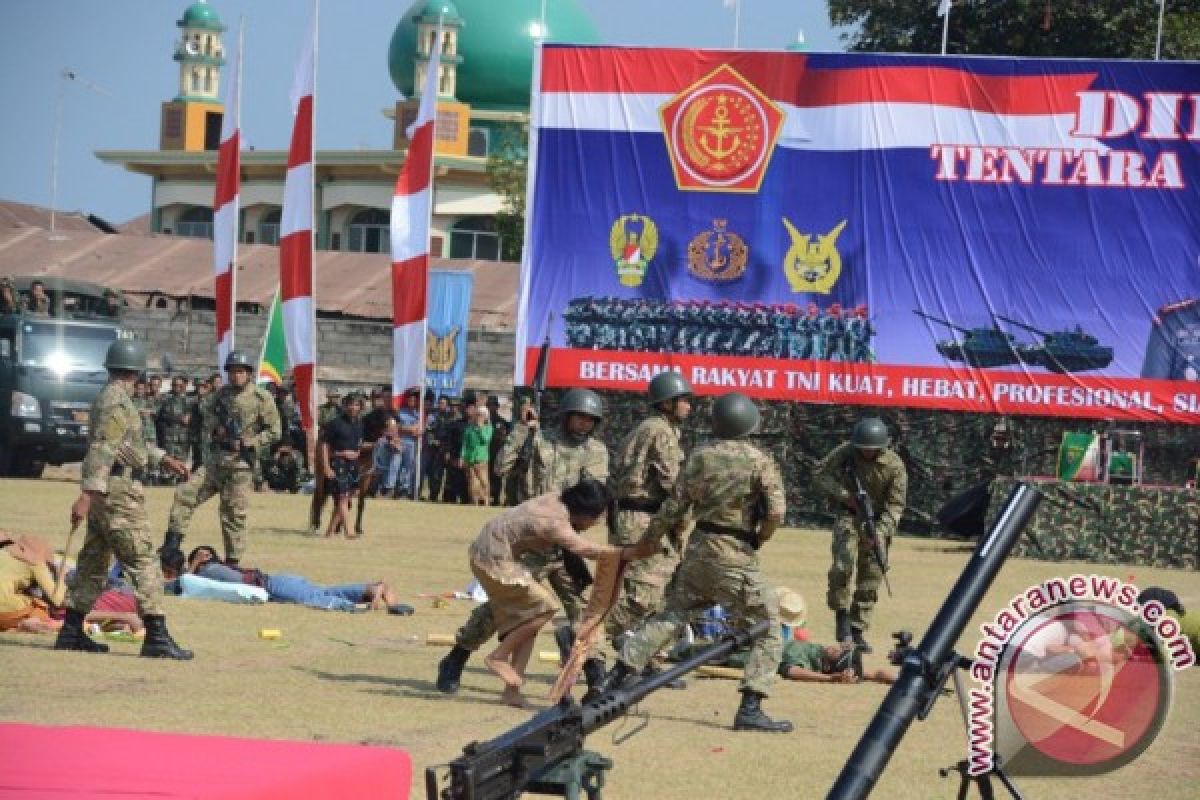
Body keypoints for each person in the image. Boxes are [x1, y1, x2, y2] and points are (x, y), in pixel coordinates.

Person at [592, 392, 793, 733]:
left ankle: (616, 677)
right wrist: (760, 537)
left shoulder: (700, 456)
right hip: (735, 553)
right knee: (769, 627)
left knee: (673, 614)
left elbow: (674, 506)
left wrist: (650, 540)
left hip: (699, 549)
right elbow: (776, 511)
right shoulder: (759, 460)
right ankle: (751, 707)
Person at [437, 389, 610, 695]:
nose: (583, 424)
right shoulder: (538, 439)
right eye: (578, 417)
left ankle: (596, 678)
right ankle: (456, 657)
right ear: (566, 415)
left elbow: (592, 495)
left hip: (566, 545)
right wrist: (521, 431)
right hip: (529, 545)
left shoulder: (596, 452)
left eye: (589, 420)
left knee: (584, 611)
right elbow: (502, 467)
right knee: (499, 609)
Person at [54, 339, 192, 659]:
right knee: (143, 560)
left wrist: (162, 458)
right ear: (136, 371)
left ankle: (72, 631)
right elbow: (103, 449)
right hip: (117, 493)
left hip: (108, 491)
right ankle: (156, 634)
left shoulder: (113, 398)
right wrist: (87, 495)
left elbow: (128, 446)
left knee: (93, 562)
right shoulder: (117, 403)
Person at [466, 479, 637, 707]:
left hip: (498, 555)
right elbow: (583, 548)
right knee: (546, 608)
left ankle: (512, 691)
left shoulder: (558, 501)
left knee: (529, 622)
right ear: (584, 512)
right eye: (596, 518)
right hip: (492, 559)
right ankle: (498, 656)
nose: (597, 523)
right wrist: (626, 553)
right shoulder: (554, 522)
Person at [604, 372, 693, 688]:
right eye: (682, 400)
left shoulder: (651, 428)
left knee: (659, 594)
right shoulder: (660, 432)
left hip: (632, 516)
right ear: (667, 403)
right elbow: (674, 484)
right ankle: (589, 638)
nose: (688, 406)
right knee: (645, 593)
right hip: (644, 519)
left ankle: (651, 660)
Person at [160, 350, 282, 565]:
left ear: (249, 373)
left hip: (240, 466)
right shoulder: (219, 396)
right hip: (214, 463)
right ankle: (171, 548)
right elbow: (200, 411)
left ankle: (232, 562)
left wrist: (248, 442)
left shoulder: (261, 398)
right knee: (185, 493)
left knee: (233, 514)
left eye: (241, 372)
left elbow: (274, 431)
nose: (236, 376)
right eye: (232, 372)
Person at [813, 416, 907, 654]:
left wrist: (881, 532)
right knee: (842, 567)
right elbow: (820, 475)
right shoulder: (846, 452)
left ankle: (857, 631)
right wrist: (846, 496)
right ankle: (842, 621)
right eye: (862, 448)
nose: (866, 452)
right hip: (848, 517)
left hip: (877, 523)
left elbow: (896, 505)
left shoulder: (894, 466)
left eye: (871, 449)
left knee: (871, 575)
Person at [185, 545, 412, 614]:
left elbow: (185, 581)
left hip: (273, 585)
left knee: (316, 599)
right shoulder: (217, 568)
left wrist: (194, 563)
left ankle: (356, 607)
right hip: (280, 581)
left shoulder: (207, 570)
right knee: (324, 592)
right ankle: (372, 589)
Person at [0, 535, 65, 633]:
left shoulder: (3, 554)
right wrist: (62, 576)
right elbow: (58, 600)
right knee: (40, 608)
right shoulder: (36, 563)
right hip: (5, 609)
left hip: (6, 607)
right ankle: (42, 624)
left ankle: (14, 627)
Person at [322, 392, 364, 538]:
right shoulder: (335, 423)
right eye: (350, 404)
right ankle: (350, 531)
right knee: (342, 496)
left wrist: (357, 452)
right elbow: (325, 445)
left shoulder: (359, 424)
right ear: (345, 405)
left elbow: (359, 443)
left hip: (353, 464)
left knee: (349, 497)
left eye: (357, 404)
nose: (353, 407)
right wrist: (327, 466)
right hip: (338, 462)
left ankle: (329, 532)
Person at [157, 376, 193, 485]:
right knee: (167, 468)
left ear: (185, 386)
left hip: (183, 440)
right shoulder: (165, 399)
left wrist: (191, 418)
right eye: (174, 385)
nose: (177, 387)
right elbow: (159, 416)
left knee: (181, 468)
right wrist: (179, 418)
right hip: (168, 440)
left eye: (180, 385)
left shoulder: (191, 401)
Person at [462, 406, 493, 506]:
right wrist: (462, 457)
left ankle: (486, 500)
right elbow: (465, 443)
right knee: (472, 481)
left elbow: (485, 439)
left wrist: (480, 428)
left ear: (486, 417)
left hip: (481, 458)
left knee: (483, 481)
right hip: (470, 457)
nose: (479, 417)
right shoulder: (469, 428)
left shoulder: (488, 428)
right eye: (478, 414)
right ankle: (474, 501)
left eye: (482, 415)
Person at [395, 388, 422, 499]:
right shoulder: (400, 412)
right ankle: (396, 488)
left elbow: (420, 429)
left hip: (413, 443)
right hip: (401, 441)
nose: (412, 401)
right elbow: (397, 427)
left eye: (414, 400)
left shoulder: (419, 414)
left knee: (409, 467)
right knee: (398, 466)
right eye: (410, 399)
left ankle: (405, 489)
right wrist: (410, 429)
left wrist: (415, 430)